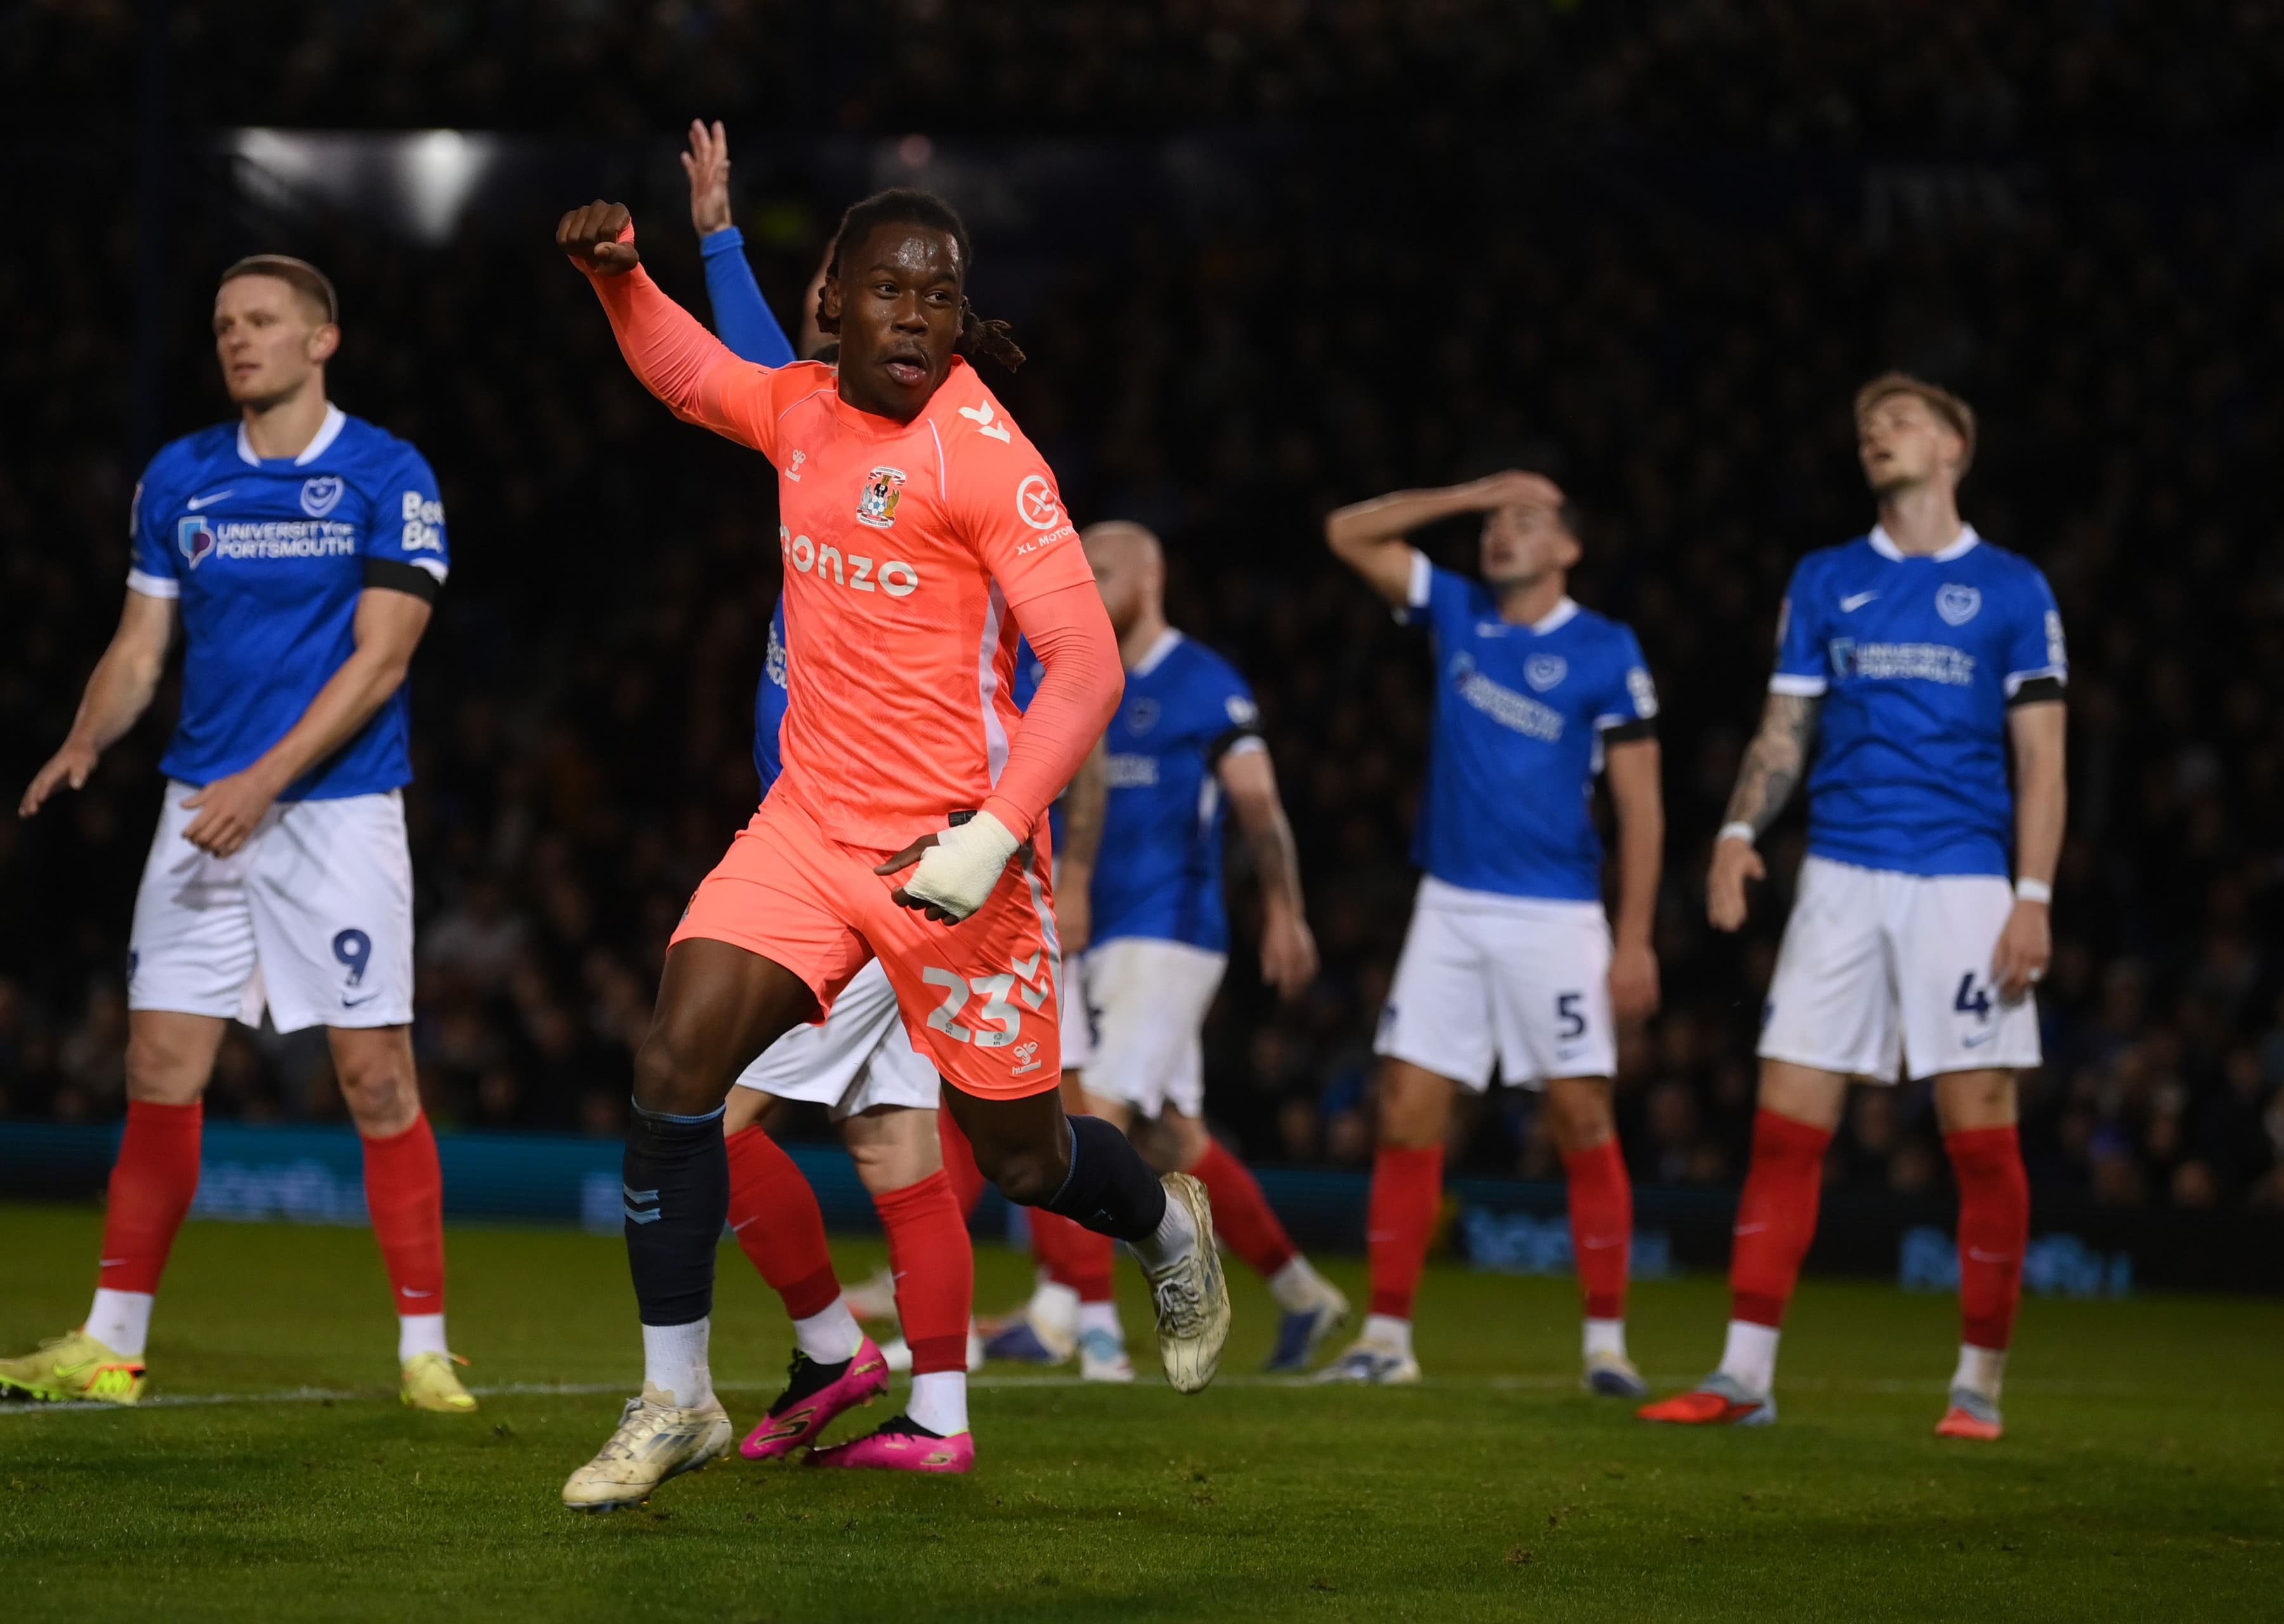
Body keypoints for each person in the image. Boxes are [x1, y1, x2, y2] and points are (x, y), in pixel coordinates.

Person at [552, 186, 1230, 1514]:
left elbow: (1088, 667)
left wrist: (995, 834)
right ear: (836, 303)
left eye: (939, 295)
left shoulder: (988, 457)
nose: (915, 316)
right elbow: (690, 376)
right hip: (810, 830)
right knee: (675, 1066)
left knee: (1026, 1158)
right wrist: (620, 278)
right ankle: (677, 1397)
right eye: (889, 290)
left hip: (954, 861)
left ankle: (1163, 1223)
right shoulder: (801, 408)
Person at [0, 256, 470, 1413]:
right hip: (202, 807)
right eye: (223, 324)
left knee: (375, 1078)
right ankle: (110, 1344)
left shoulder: (387, 473)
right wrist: (86, 737)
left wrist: (265, 781)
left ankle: (425, 1349)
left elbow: (383, 660)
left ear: (322, 340)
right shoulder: (180, 476)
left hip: (336, 813)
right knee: (158, 1065)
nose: (237, 339)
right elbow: (141, 644)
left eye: (261, 321)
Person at [1639, 374, 2064, 1440]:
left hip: (1964, 884)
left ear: (1955, 448)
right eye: (1869, 423)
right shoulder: (1826, 578)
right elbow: (1784, 729)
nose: (1878, 431)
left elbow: (2044, 761)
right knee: (1785, 1126)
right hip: (1839, 877)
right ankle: (1744, 1377)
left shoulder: (2014, 589)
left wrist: (2033, 895)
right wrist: (1739, 830)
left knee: (1980, 1134)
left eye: (1903, 419)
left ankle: (1978, 1384)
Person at [669, 120, 979, 1469]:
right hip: (903, 858)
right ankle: (939, 1417)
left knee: (697, 1112)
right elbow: (759, 364)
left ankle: (831, 1345)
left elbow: (1043, 677)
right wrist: (718, 237)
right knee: (896, 1144)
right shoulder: (825, 442)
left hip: (866, 853)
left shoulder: (939, 475)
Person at [1318, 471, 1664, 1394]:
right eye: (1495, 524)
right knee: (1406, 1109)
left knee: (1581, 1116)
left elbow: (1643, 807)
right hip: (1451, 906)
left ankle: (1607, 1348)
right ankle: (1386, 1339)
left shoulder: (1604, 648)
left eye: (1527, 522)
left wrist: (1634, 938)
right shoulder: (1459, 609)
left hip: (1556, 913)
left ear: (1570, 548)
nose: (1502, 534)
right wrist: (1472, 494)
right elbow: (1348, 532)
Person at [1049, 520, 1352, 1374]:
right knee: (1170, 1139)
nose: (1084, 581)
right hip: (1091, 931)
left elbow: (1257, 802)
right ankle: (1303, 1295)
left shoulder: (1203, 681)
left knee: (1088, 1121)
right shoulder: (1076, 675)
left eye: (1102, 569)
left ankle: (1083, 1324)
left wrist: (1285, 909)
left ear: (1150, 578)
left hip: (1171, 933)